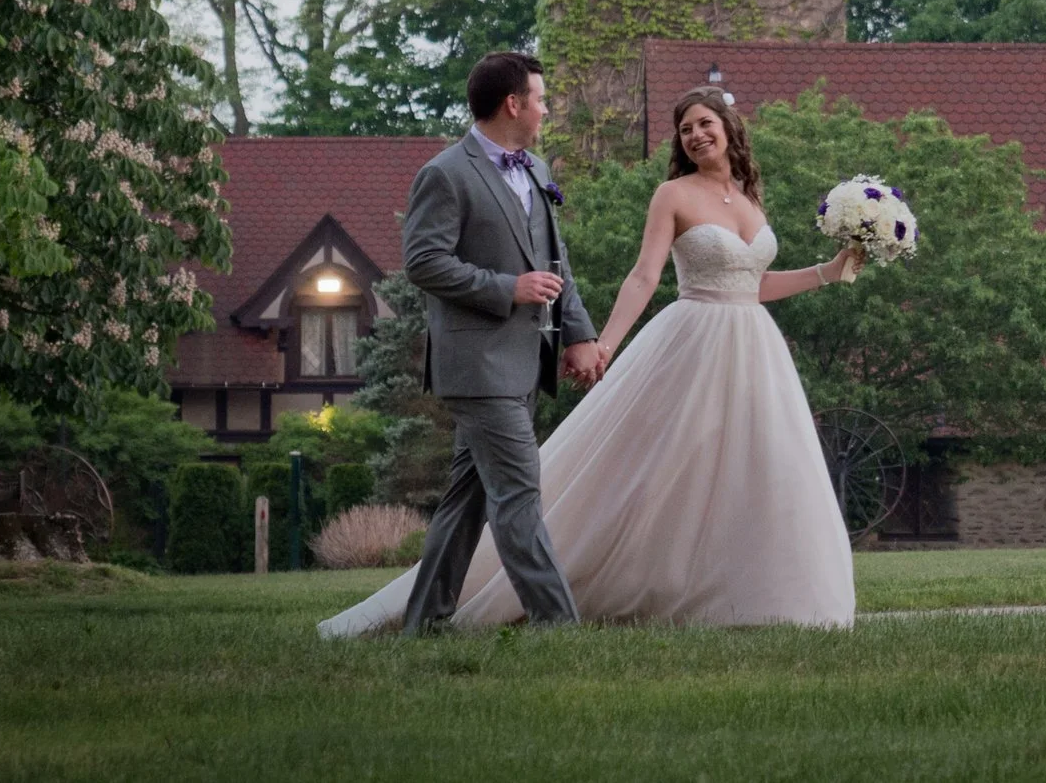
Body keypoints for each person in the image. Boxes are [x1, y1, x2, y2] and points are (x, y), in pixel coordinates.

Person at [320, 83, 859, 636]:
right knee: (653, 470)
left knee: (761, 466)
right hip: (692, 340)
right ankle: (568, 599)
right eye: (686, 129)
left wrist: (828, 271)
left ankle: (753, 592)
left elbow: (752, 283)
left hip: (754, 350)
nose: (696, 135)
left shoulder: (749, 200)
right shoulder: (672, 195)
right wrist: (606, 344)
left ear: (729, 128)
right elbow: (645, 276)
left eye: (704, 123)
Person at [369, 51, 605, 636]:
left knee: (467, 501)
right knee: (519, 494)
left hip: (526, 362)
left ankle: (424, 622)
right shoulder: (446, 173)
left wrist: (578, 334)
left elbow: (556, 263)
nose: (546, 109)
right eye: (541, 99)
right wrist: (509, 287)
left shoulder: (537, 169)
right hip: (476, 366)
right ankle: (559, 626)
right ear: (513, 104)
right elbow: (423, 263)